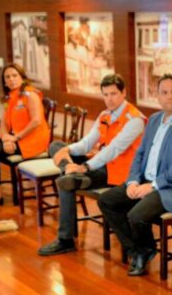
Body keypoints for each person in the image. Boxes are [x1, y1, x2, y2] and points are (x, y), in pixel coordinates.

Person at [98, 74, 172, 276]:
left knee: (136, 215)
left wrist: (153, 186)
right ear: (158, 96)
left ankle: (142, 251)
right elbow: (140, 154)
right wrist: (132, 181)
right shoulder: (154, 120)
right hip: (146, 181)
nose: (170, 97)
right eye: (164, 93)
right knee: (107, 201)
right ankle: (138, 250)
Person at [38, 74, 146, 256]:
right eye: (105, 95)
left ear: (124, 93)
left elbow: (113, 150)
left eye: (113, 94)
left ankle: (65, 239)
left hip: (119, 172)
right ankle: (72, 174)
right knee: (56, 146)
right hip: (101, 164)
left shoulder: (134, 120)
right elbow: (87, 143)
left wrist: (85, 167)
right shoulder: (105, 115)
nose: (109, 99)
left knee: (65, 181)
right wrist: (67, 152)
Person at [0, 64, 50, 207]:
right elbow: (3, 122)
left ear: (22, 77)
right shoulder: (12, 96)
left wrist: (15, 138)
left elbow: (36, 121)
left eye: (14, 75)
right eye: (7, 77)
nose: (11, 79)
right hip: (19, 137)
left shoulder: (30, 94)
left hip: (34, 140)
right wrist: (5, 139)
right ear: (4, 81)